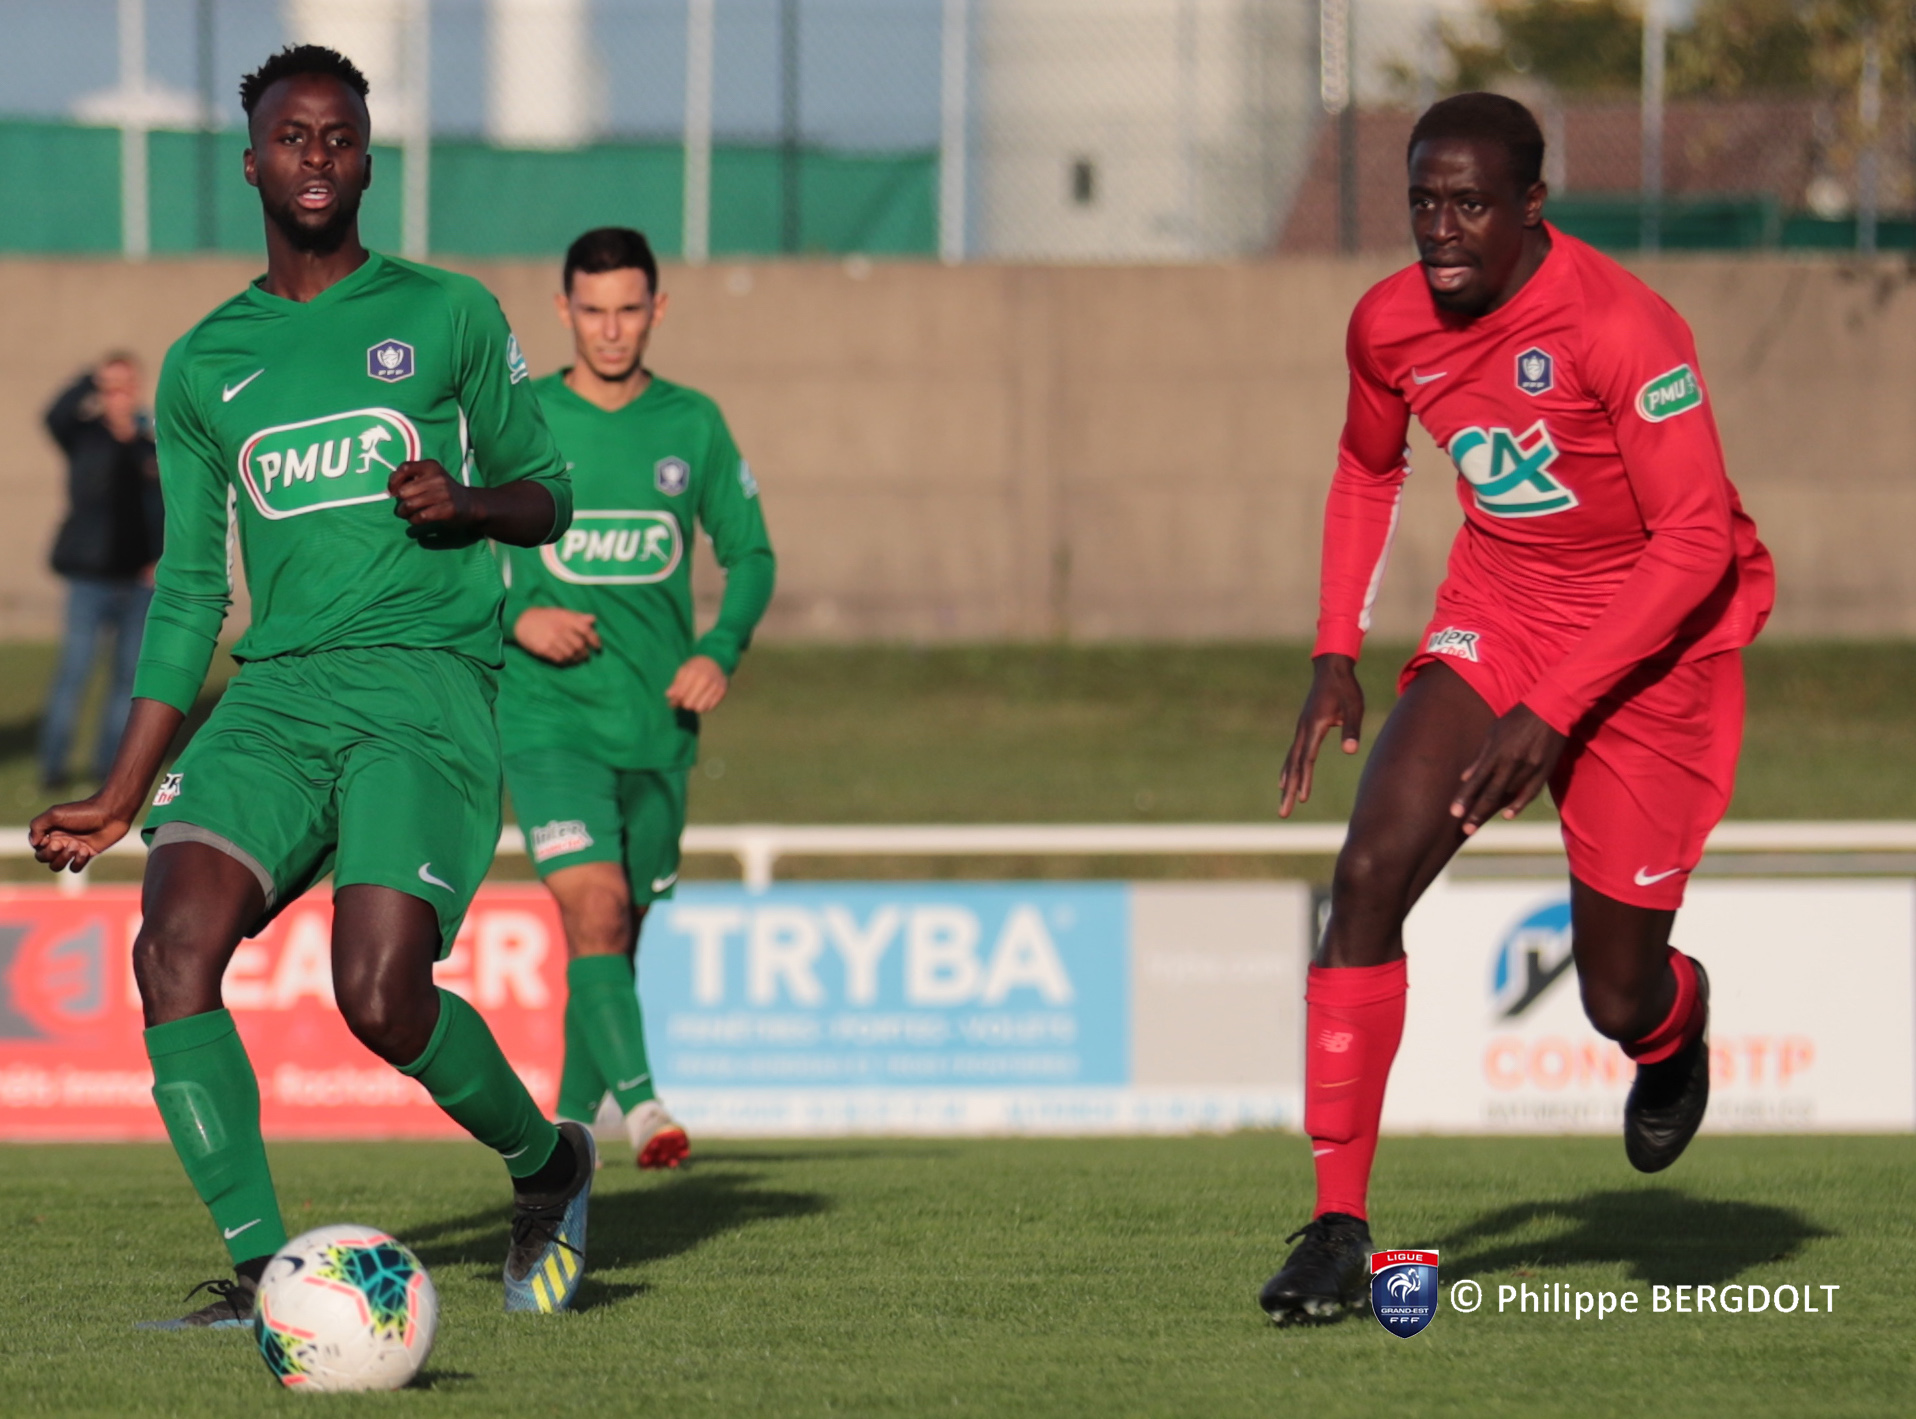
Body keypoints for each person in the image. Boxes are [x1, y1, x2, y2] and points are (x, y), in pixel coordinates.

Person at [30, 45, 595, 1327]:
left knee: (378, 996)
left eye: (340, 137)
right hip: (277, 698)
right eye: (293, 137)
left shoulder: (448, 313)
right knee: (171, 946)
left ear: (368, 161)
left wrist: (470, 506)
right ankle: (260, 1277)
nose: (317, 157)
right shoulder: (203, 364)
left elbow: (548, 493)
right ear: (252, 164)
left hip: (422, 689)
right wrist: (120, 793)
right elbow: (189, 594)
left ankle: (548, 1164)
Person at [1258, 92, 1774, 1325]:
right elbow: (1364, 468)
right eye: (1421, 202)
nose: (1438, 229)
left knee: (1613, 994)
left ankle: (1672, 1027)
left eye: (1468, 204)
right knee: (1365, 875)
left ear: (1532, 205)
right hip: (1500, 613)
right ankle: (1334, 1228)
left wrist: (1553, 707)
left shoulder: (1621, 326)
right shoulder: (1385, 321)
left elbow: (1693, 541)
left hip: (1652, 649)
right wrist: (1335, 649)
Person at [498, 227, 775, 1170]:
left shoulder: (692, 424)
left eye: (628, 310)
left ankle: (569, 1137)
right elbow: (447, 547)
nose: (611, 330)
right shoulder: (522, 422)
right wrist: (518, 615)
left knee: (614, 934)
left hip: (658, 725)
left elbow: (751, 553)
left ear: (657, 309)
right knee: (597, 908)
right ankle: (647, 1106)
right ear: (563, 310)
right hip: (547, 719)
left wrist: (720, 649)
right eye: (593, 311)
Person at [38, 354, 163, 789]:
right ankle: (52, 767)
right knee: (75, 672)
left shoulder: (150, 445)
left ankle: (107, 767)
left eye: (127, 385)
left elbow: (165, 508)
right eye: (111, 386)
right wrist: (90, 378)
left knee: (127, 681)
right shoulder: (84, 436)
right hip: (89, 579)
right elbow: (54, 414)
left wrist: (160, 557)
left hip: (139, 583)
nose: (119, 394)